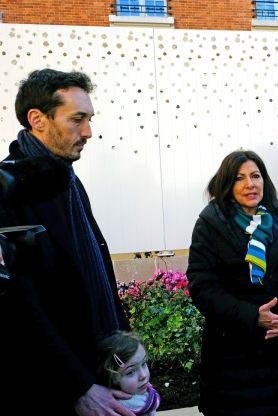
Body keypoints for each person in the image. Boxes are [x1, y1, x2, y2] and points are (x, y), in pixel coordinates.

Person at [0, 69, 133, 415]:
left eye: (89, 119)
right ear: (37, 119)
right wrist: (80, 387)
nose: (88, 132)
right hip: (53, 391)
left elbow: (94, 273)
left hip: (99, 370)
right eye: (77, 120)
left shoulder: (66, 180)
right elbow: (21, 308)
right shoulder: (9, 192)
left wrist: (126, 352)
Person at [186, 150, 278, 416]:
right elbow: (203, 286)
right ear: (226, 184)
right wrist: (252, 316)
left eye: (255, 176)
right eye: (239, 178)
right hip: (233, 357)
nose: (250, 184)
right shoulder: (210, 224)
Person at [97, 331, 161, 416]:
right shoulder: (116, 408)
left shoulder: (145, 397)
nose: (143, 375)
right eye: (130, 372)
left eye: (143, 363)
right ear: (111, 378)